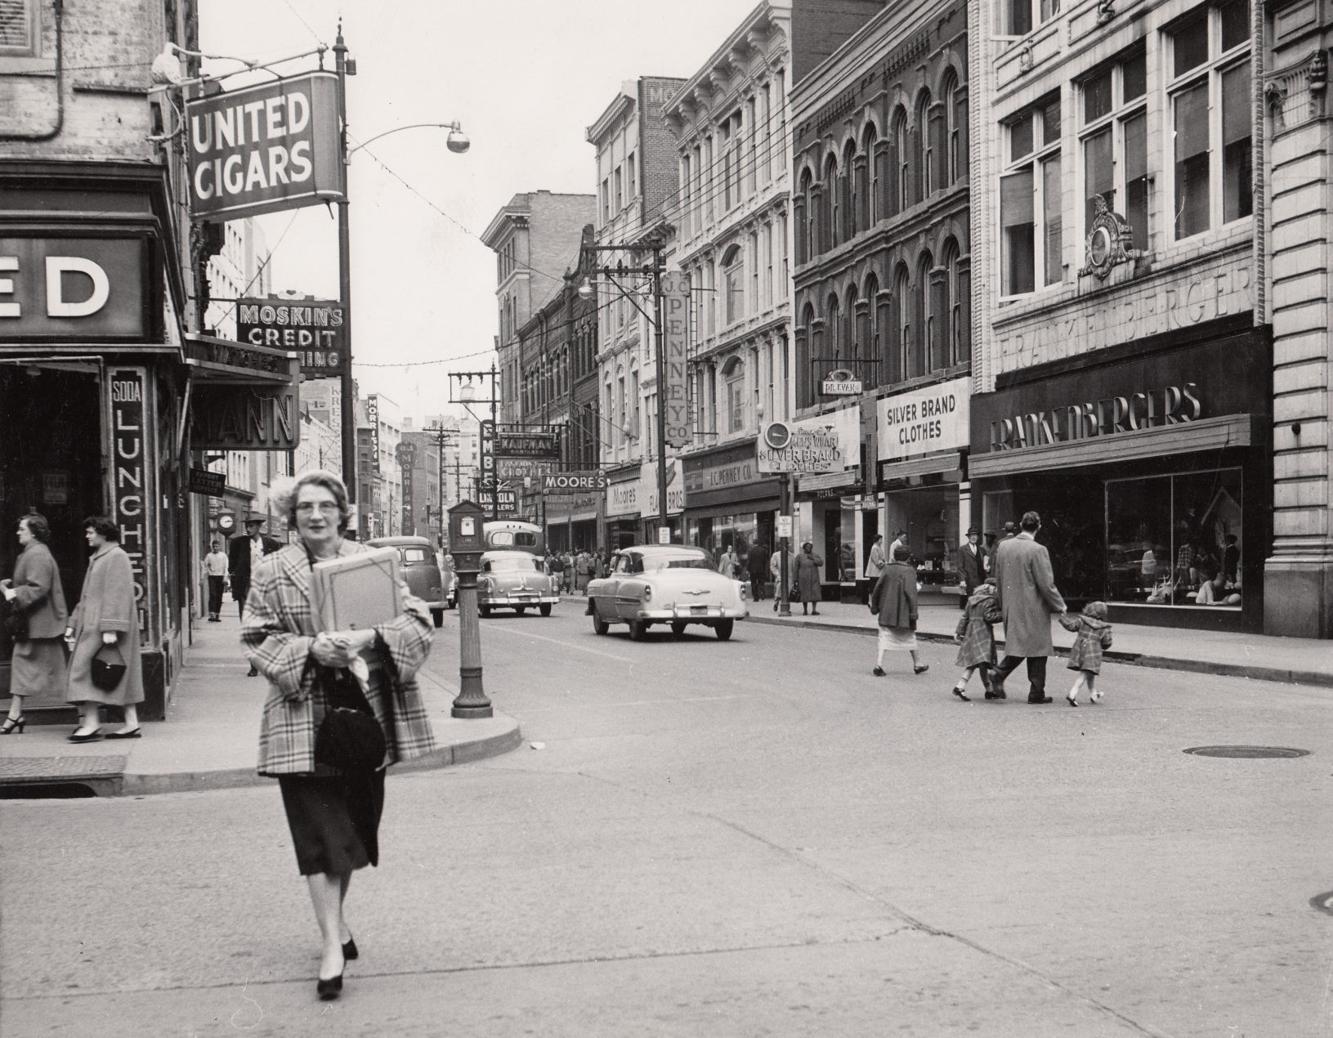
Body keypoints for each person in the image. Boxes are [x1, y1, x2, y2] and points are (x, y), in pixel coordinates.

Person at [242, 470, 437, 1002]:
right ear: (291, 515)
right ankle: (331, 947)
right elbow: (255, 635)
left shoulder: (371, 562)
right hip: (302, 715)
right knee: (321, 839)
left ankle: (338, 922)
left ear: (342, 511)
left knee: (352, 835)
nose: (315, 515)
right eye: (305, 506)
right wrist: (310, 650)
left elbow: (418, 622)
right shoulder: (271, 571)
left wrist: (371, 635)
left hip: (362, 717)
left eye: (325, 505)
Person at [65, 517, 143, 740]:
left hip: (102, 627)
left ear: (103, 534)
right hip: (94, 624)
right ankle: (131, 724)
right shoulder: (102, 557)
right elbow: (87, 596)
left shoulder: (115, 556)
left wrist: (111, 628)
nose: (87, 536)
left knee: (84, 672)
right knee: (118, 675)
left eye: (91, 532)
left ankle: (91, 724)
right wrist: (72, 623)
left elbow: (116, 594)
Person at [0, 513, 68, 734]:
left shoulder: (36, 554)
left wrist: (11, 592)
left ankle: (85, 714)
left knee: (49, 671)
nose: (18, 532)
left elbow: (39, 587)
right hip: (38, 624)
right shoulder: (34, 553)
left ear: (34, 532)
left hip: (39, 624)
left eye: (22, 529)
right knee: (54, 671)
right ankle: (15, 714)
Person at [991, 511, 1067, 704]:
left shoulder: (1003, 547)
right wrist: (1060, 605)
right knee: (1038, 648)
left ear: (1020, 524)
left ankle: (1003, 676)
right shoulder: (1038, 550)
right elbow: (1046, 584)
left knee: (1018, 645)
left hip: (1011, 605)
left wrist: (1001, 602)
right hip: (1034, 608)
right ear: (1039, 527)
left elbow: (998, 579)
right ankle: (1034, 691)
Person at [230, 514, 281, 674]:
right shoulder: (238, 543)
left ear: (259, 527)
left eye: (251, 526)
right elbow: (232, 566)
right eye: (247, 525)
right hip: (246, 588)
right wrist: (237, 582)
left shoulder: (271, 544)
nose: (248, 528)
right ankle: (254, 665)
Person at [868, 545, 928, 676]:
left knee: (884, 637)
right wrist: (913, 612)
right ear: (907, 557)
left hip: (887, 611)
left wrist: (875, 606)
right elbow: (911, 594)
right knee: (910, 636)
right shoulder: (909, 571)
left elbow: (877, 588)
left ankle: (879, 664)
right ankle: (917, 664)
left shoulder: (887, 568)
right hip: (903, 612)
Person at [951, 576, 1002, 701]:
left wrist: (959, 632)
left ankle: (989, 690)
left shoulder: (971, 600)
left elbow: (965, 617)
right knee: (977, 662)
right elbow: (989, 617)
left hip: (971, 632)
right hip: (983, 633)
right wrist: (1003, 615)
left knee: (981, 662)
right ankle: (960, 686)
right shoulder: (990, 601)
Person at [1059, 600, 1114, 706]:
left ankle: (1093, 694)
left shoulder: (1082, 621)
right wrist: (1103, 645)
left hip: (1080, 651)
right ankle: (1072, 693)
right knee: (1084, 674)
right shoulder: (1104, 628)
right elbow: (1107, 642)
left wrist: (1063, 617)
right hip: (1093, 653)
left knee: (1089, 672)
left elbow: (1071, 626)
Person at [956, 527, 987, 611]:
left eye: (975, 535)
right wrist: (962, 580)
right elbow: (960, 566)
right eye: (972, 536)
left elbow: (985, 564)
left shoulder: (982, 550)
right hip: (968, 580)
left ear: (978, 537)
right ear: (968, 537)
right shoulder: (962, 549)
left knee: (978, 604)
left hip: (980, 580)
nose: (973, 537)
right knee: (969, 606)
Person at [203, 540, 229, 622]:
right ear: (212, 547)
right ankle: (212, 614)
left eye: (217, 546)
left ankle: (217, 614)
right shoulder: (209, 556)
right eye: (214, 546)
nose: (215, 548)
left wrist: (225, 577)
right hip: (212, 577)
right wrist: (204, 575)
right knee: (212, 595)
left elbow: (226, 567)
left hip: (220, 577)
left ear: (220, 546)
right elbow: (204, 566)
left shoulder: (223, 556)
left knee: (219, 596)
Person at [795, 541, 823, 616]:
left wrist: (813, 559)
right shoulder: (799, 556)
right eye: (807, 547)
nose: (809, 548)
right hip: (803, 578)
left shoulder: (815, 555)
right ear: (804, 548)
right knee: (804, 594)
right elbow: (796, 568)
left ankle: (814, 610)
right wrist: (795, 579)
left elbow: (821, 563)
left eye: (810, 547)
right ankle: (805, 610)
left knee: (815, 594)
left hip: (814, 577)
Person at [769, 545, 796, 613]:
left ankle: (787, 607)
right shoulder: (776, 555)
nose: (785, 548)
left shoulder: (791, 556)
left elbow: (794, 567)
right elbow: (773, 566)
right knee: (779, 589)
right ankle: (777, 602)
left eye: (787, 547)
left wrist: (795, 578)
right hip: (780, 576)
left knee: (788, 592)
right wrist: (777, 574)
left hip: (789, 577)